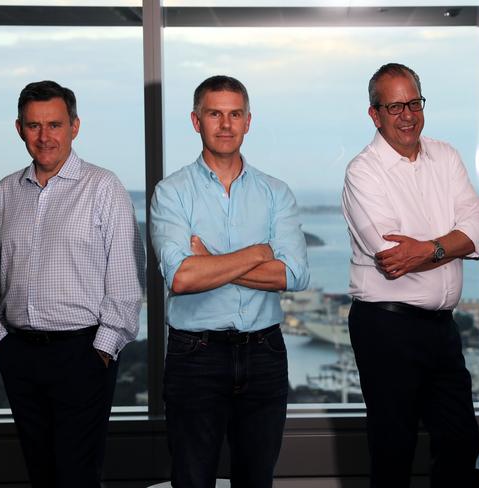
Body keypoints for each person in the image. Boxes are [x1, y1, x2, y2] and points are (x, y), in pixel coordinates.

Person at [150, 75, 309, 488]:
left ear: (248, 121)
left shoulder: (276, 192)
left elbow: (293, 274)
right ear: (195, 120)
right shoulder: (171, 193)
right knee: (192, 480)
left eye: (234, 114)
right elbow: (182, 277)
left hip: (264, 352)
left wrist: (214, 263)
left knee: (256, 482)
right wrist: (258, 253)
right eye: (214, 114)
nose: (225, 124)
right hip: (194, 356)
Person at [341, 63, 479, 487]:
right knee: (394, 449)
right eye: (395, 106)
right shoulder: (362, 171)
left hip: (441, 327)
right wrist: (452, 242)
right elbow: (391, 258)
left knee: (462, 441)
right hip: (385, 326)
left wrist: (426, 248)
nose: (408, 114)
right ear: (375, 114)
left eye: (414, 102)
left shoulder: (446, 156)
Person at [0, 80, 145, 488]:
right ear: (19, 129)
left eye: (55, 125)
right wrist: (0, 338)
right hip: (19, 355)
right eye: (34, 125)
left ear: (75, 127)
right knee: (39, 474)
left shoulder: (104, 188)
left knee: (76, 476)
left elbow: (128, 280)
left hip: (83, 354)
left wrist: (102, 351)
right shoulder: (5, 191)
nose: (45, 137)